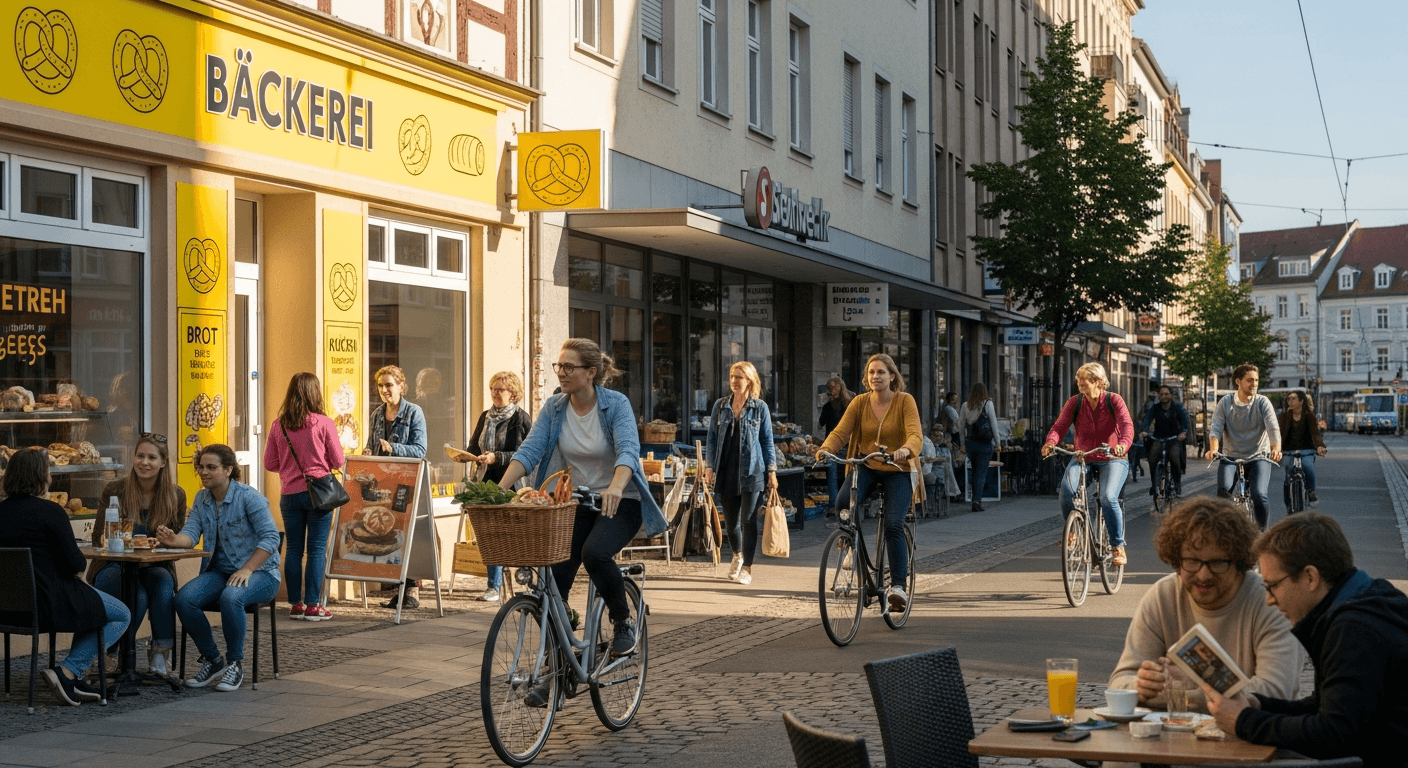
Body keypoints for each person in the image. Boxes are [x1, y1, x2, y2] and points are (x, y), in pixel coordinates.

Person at [498, 339, 668, 679]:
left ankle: (622, 621)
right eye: (559, 366)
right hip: (576, 504)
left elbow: (628, 451)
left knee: (594, 553)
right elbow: (530, 449)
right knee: (553, 577)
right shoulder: (555, 407)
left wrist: (617, 487)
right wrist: (497, 491)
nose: (561, 373)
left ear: (590, 373)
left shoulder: (615, 405)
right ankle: (557, 664)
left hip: (621, 502)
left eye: (568, 367)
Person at [1205, 513, 1408, 768]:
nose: (1269, 599)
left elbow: (1333, 733)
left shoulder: (1352, 628)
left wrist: (1244, 722)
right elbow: (1325, 706)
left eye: (1272, 586)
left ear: (1310, 578)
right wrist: (1260, 705)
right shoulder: (1371, 597)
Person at [1109, 496, 1304, 712]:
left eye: (1217, 563)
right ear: (1176, 560)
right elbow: (1119, 683)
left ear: (1239, 563)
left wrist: (1181, 692)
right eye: (1192, 561)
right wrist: (1141, 685)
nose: (1203, 575)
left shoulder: (1270, 604)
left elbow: (1276, 693)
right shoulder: (1162, 597)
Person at [0, 448, 130, 706]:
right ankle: (68, 671)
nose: (50, 478)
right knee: (121, 614)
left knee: (92, 606)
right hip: (50, 603)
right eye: (48, 473)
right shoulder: (51, 512)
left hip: (7, 609)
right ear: (41, 478)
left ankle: (72, 677)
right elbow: (75, 563)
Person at [158, 444, 281, 693]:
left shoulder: (249, 497)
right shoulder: (202, 499)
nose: (203, 472)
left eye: (211, 467)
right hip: (220, 572)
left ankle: (235, 663)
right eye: (201, 467)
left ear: (228, 470)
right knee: (183, 599)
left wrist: (247, 569)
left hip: (262, 574)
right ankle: (214, 661)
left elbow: (270, 538)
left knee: (231, 596)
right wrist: (173, 540)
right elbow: (190, 535)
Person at [816, 353, 922, 612]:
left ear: (892, 376)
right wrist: (826, 449)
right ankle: (850, 544)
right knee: (843, 503)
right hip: (867, 464)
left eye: (881, 372)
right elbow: (841, 431)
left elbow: (915, 434)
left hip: (898, 468)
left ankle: (898, 587)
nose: (876, 376)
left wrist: (906, 449)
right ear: (866, 378)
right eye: (871, 372)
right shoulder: (860, 402)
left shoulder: (904, 401)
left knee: (893, 525)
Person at [87, 433, 187, 676]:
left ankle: (161, 653)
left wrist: (168, 540)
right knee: (138, 596)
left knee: (163, 583)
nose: (145, 462)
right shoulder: (115, 489)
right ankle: (110, 653)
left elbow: (178, 544)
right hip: (113, 563)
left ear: (163, 462)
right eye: (140, 456)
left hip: (154, 566)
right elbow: (98, 537)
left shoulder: (176, 495)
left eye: (152, 457)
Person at [264, 372, 344, 622]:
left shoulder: (278, 425)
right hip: (319, 494)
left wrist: (290, 468)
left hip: (289, 494)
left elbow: (269, 463)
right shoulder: (323, 423)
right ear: (315, 393)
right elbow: (338, 460)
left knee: (294, 550)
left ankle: (295, 604)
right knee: (317, 550)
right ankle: (313, 606)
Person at [1041, 362, 1134, 566]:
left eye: (1084, 384)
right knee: (1066, 490)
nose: (1080, 388)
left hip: (1113, 458)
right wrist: (1051, 441)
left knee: (1108, 498)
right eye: (1079, 384)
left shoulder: (1114, 400)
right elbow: (1060, 425)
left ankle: (1118, 546)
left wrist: (1122, 445)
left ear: (1098, 382)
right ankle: (1073, 531)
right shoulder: (1074, 403)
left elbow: (1127, 426)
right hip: (1084, 457)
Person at [454, 371, 532, 602]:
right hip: (486, 483)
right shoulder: (485, 416)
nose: (495, 393)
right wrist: (467, 456)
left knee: (517, 533)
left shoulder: (521, 418)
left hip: (512, 482)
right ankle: (493, 586)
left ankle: (525, 576)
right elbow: (474, 446)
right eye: (493, 389)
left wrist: (496, 457)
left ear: (513, 393)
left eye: (500, 390)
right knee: (492, 534)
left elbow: (525, 454)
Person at [704, 361, 779, 586]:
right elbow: (712, 438)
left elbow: (767, 441)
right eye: (732, 376)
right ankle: (738, 554)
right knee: (730, 522)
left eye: (740, 377)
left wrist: (772, 471)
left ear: (749, 381)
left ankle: (747, 568)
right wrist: (709, 467)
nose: (735, 381)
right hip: (726, 469)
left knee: (748, 521)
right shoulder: (720, 406)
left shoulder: (760, 407)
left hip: (752, 470)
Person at [364, 364, 428, 609]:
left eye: (389, 385)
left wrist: (394, 448)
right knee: (390, 533)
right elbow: (372, 445)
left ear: (401, 385)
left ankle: (412, 590)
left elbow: (420, 450)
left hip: (407, 482)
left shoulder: (414, 413)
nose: (384, 390)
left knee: (409, 534)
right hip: (384, 483)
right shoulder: (377, 414)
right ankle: (397, 588)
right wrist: (369, 453)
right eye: (380, 386)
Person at [1205, 364, 1282, 530]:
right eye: (1249, 380)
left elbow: (1273, 428)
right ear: (1238, 381)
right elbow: (1216, 428)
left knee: (1259, 495)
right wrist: (1213, 449)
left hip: (1258, 456)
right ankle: (1223, 533)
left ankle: (1262, 534)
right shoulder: (1225, 403)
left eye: (1256, 380)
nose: (1254, 384)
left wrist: (1275, 448)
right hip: (1230, 456)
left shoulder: (1263, 402)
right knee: (1223, 493)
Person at [1277, 389, 1326, 510]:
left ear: (1301, 401)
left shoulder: (1309, 416)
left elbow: (1315, 432)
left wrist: (1319, 446)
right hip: (1288, 451)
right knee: (1288, 472)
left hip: (1306, 450)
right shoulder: (1284, 417)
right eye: (1289, 399)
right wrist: (1275, 448)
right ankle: (1288, 500)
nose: (1290, 401)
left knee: (1308, 467)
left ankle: (1311, 492)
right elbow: (1277, 434)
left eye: (1293, 399)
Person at [1140, 384, 1190, 497]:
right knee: (1152, 457)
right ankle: (1154, 484)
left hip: (1174, 438)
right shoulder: (1155, 408)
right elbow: (1147, 420)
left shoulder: (1177, 407)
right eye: (1161, 394)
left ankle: (1177, 484)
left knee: (1174, 457)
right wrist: (1144, 430)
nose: (1164, 396)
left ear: (1170, 395)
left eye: (1166, 394)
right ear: (1158, 395)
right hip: (1159, 437)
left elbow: (1185, 421)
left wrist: (1184, 432)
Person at [961, 382, 1000, 513]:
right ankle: (976, 501)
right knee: (981, 473)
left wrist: (962, 443)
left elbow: (961, 427)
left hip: (971, 443)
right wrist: (998, 442)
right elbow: (994, 424)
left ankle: (974, 499)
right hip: (985, 444)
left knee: (974, 470)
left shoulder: (965, 406)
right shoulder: (988, 404)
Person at [817, 375, 853, 440]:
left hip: (845, 441)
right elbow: (821, 424)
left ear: (839, 389)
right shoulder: (827, 407)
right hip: (832, 441)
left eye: (832, 388)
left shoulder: (850, 404)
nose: (829, 392)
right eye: (829, 388)